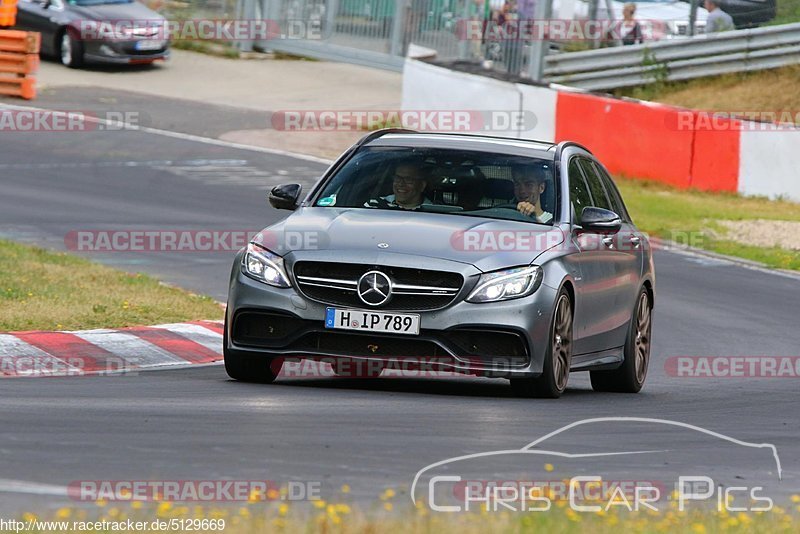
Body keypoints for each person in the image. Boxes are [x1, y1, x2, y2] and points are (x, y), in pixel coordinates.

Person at [365, 161, 431, 210]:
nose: (401, 184)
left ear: (422, 185)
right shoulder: (374, 205)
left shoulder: (433, 211)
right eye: (397, 178)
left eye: (408, 179)